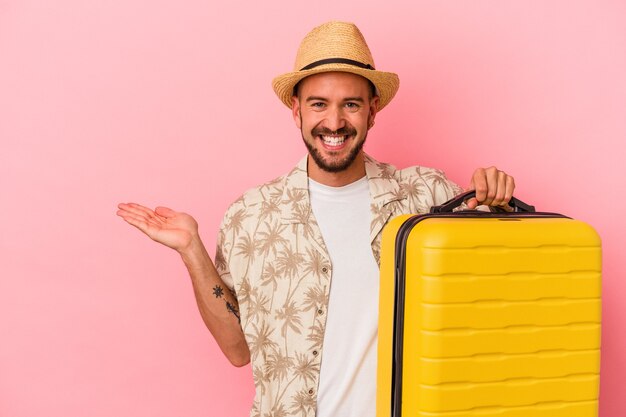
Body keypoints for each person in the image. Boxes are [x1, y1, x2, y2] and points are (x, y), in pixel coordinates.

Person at [117, 21, 515, 417]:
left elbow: (492, 295)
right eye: (319, 103)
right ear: (297, 111)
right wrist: (191, 250)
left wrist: (495, 200)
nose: (335, 122)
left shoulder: (426, 196)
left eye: (351, 104)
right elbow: (238, 351)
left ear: (373, 111)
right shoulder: (251, 217)